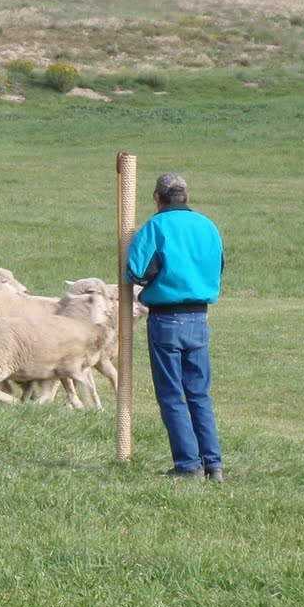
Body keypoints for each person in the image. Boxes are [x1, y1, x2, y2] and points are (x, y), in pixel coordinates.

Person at [125, 172, 224, 481]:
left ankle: (188, 465)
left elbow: (136, 272)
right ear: (187, 196)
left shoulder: (156, 227)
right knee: (199, 395)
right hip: (199, 318)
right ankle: (214, 465)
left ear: (158, 198)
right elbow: (219, 265)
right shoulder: (208, 226)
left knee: (171, 395)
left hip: (166, 319)